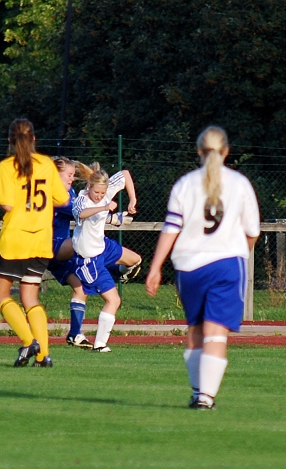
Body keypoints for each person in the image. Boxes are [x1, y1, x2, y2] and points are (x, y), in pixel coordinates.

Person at [145, 126, 260, 410]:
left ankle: (198, 393)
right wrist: (238, 254)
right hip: (227, 265)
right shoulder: (239, 183)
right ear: (226, 152)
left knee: (195, 330)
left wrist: (155, 267)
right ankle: (206, 398)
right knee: (216, 331)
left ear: (198, 151)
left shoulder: (184, 184)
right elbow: (253, 230)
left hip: (189, 266)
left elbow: (171, 228)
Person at [0, 118, 69, 367]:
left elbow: (6, 202)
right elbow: (63, 199)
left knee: (0, 294)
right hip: (40, 240)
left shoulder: (6, 166)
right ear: (34, 139)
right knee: (30, 298)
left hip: (15, 239)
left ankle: (28, 341)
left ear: (10, 141)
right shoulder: (46, 164)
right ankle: (43, 354)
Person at [48, 157, 142, 349]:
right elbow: (81, 212)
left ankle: (75, 335)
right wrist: (112, 216)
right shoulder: (57, 196)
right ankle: (104, 272)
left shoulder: (75, 192)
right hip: (53, 247)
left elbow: (124, 175)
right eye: (68, 175)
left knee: (82, 289)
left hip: (89, 246)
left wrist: (132, 200)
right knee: (83, 246)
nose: (72, 178)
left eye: (74, 175)